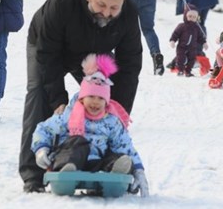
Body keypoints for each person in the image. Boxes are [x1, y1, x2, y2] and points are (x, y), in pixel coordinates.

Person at [19, 0, 144, 193]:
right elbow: (47, 54)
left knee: (105, 109)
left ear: (123, 1)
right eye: (101, 5)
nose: (107, 13)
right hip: (47, 48)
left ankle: (109, 167)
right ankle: (34, 175)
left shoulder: (127, 14)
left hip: (92, 56)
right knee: (39, 95)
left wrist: (117, 112)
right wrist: (57, 98)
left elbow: (130, 66)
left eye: (114, 7)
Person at [32, 54, 148, 196]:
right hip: (71, 159)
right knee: (78, 142)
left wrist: (138, 169)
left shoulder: (112, 121)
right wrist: (41, 150)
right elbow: (44, 129)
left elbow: (125, 146)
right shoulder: (69, 115)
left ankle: (115, 172)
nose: (95, 102)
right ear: (82, 97)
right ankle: (66, 171)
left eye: (100, 98)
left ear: (106, 102)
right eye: (91, 96)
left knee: (115, 155)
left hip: (98, 163)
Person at [169, 4, 206, 77]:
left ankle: (188, 71)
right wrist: (172, 41)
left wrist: (204, 43)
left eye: (194, 17)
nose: (192, 18)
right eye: (190, 16)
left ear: (197, 18)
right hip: (182, 47)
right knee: (180, 58)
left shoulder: (197, 28)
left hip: (192, 48)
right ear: (185, 16)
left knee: (192, 60)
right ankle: (180, 70)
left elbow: (200, 37)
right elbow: (175, 34)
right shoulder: (182, 26)